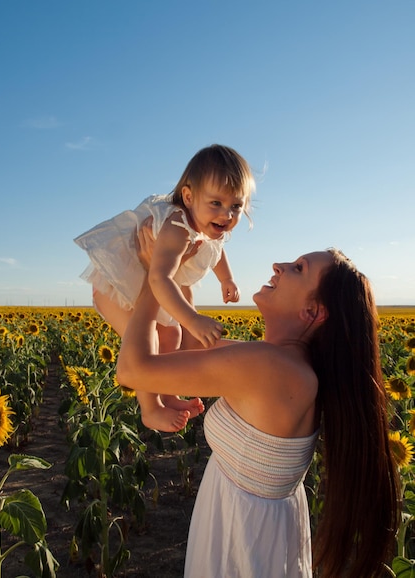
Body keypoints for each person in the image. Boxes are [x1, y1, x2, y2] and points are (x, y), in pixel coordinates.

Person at [116, 245, 400, 578]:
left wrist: (155, 275)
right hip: (246, 528)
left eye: (298, 268)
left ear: (313, 311)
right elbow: (188, 347)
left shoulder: (273, 368)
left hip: (245, 542)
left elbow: (132, 371)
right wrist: (181, 272)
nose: (278, 265)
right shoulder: (278, 361)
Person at [74, 144, 256, 432]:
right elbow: (159, 279)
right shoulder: (177, 228)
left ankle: (169, 395)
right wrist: (193, 320)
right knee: (151, 345)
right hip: (116, 289)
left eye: (236, 206)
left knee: (172, 334)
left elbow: (217, 250)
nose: (227, 215)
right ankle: (151, 408)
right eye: (217, 204)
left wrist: (226, 279)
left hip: (147, 286)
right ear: (188, 196)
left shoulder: (208, 225)